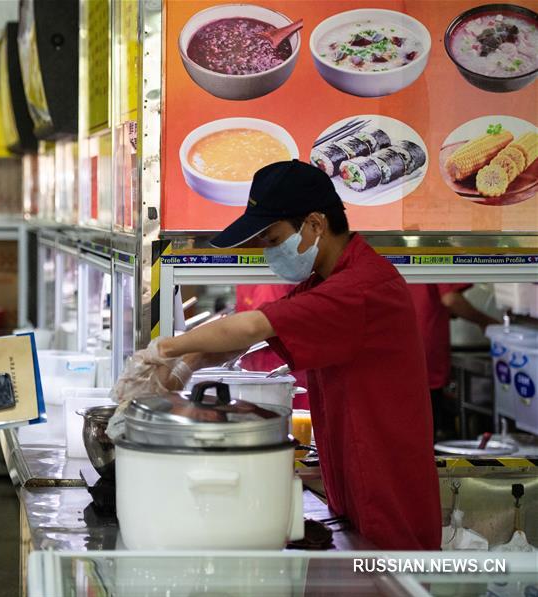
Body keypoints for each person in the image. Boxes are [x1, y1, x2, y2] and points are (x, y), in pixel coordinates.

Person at [120, 160, 441, 550]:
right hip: (356, 482)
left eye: (272, 240)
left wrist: (161, 350)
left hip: (389, 497)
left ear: (315, 225)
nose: (268, 253)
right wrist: (185, 367)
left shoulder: (362, 287)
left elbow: (253, 326)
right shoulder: (327, 281)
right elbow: (254, 336)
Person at [408, 284, 499, 441]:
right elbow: (450, 299)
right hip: (426, 355)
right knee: (427, 431)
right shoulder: (436, 259)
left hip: (409, 355)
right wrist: (485, 321)